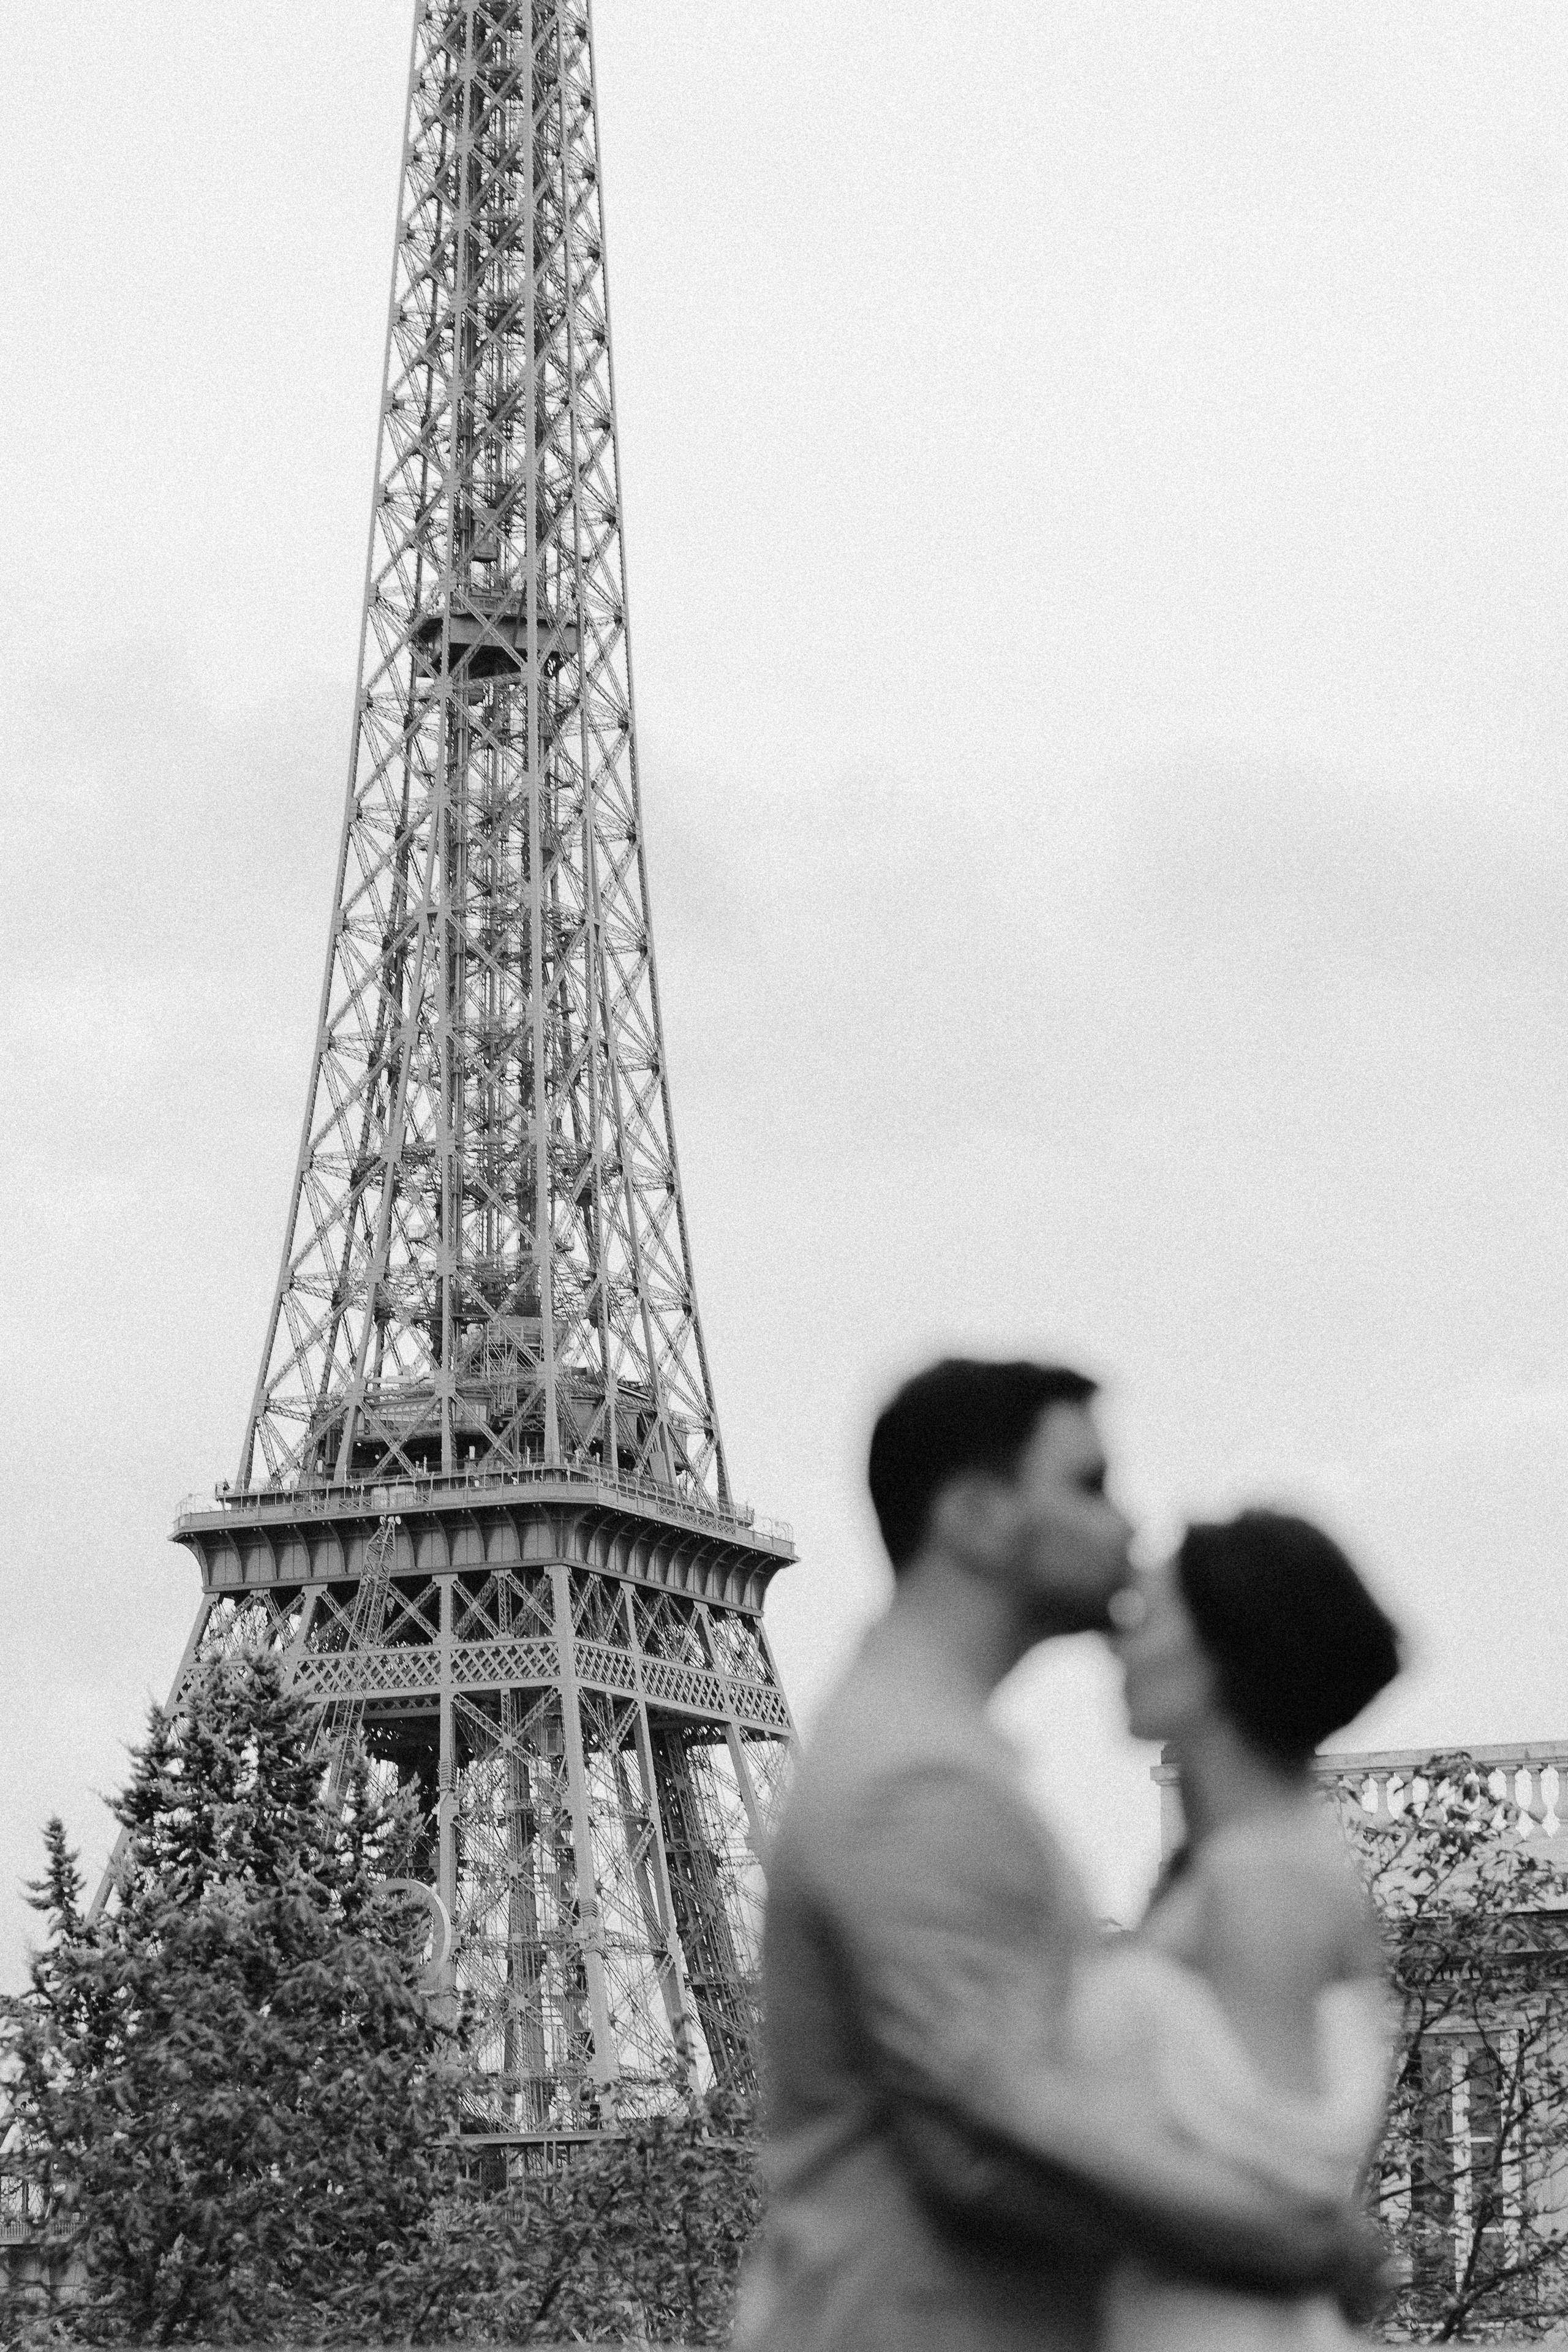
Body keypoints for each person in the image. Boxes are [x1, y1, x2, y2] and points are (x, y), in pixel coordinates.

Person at [739, 1359, 1384, 2352]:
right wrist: (1289, 2247)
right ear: (979, 1516)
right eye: (1087, 1485)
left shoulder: (925, 1761)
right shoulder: (919, 1787)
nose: (1126, 1526)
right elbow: (978, 2162)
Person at [1068, 1510, 1401, 2351]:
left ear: (1223, 1654)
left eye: (1156, 1612)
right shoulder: (1254, 1865)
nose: (1120, 1638)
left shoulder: (1263, 1879)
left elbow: (1277, 2188)